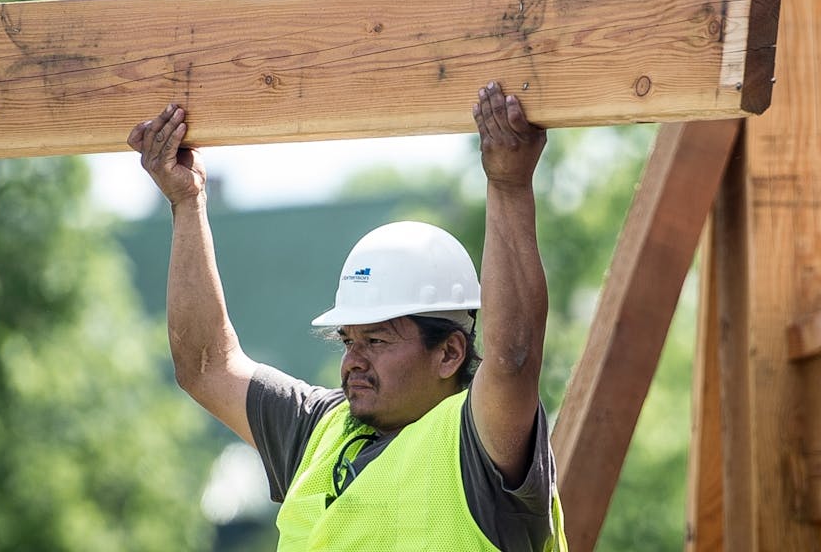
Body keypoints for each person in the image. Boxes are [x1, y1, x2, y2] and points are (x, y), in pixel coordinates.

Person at [128, 81, 567, 551]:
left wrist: (507, 183)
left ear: (449, 353)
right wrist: (186, 202)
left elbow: (512, 356)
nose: (353, 360)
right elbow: (205, 366)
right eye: (348, 340)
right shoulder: (319, 431)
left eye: (376, 341)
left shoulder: (480, 441)